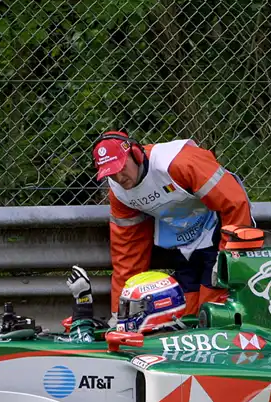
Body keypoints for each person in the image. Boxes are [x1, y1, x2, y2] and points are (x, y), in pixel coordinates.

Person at [92, 131, 253, 326]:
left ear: (135, 153)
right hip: (182, 243)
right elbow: (127, 253)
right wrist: (120, 316)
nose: (119, 177)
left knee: (215, 310)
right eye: (110, 174)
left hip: (217, 230)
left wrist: (228, 260)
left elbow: (234, 203)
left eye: (122, 167)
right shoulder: (119, 193)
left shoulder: (180, 162)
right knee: (185, 314)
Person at [58, 265, 188, 343]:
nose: (123, 315)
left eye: (130, 308)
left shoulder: (148, 346)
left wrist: (83, 306)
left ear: (157, 307)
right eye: (123, 307)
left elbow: (84, 351)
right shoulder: (160, 339)